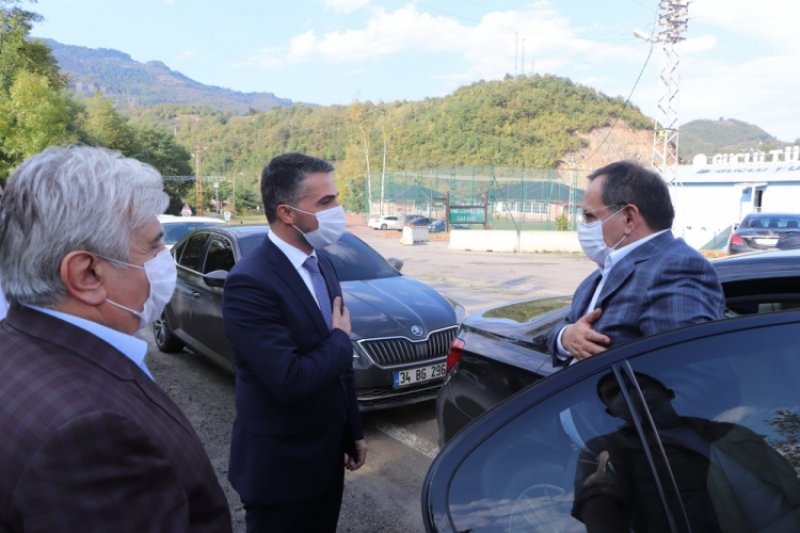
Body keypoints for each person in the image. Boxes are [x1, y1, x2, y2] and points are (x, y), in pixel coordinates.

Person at [0, 145, 232, 532]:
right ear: (87, 275)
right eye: (153, 245)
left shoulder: (18, 343)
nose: (164, 261)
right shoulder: (91, 433)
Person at [223, 152, 366, 532]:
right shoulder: (249, 282)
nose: (338, 210)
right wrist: (341, 340)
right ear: (287, 213)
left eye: (335, 198)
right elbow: (288, 379)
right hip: (280, 471)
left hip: (326, 459)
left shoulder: (321, 264)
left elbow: (339, 369)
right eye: (325, 202)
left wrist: (353, 431)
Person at [546, 160, 725, 364]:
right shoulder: (602, 273)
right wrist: (566, 337)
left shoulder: (677, 268)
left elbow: (684, 368)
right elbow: (564, 325)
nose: (583, 225)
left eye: (589, 216)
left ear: (629, 218)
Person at [572, 372, 800, 532]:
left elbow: (787, 479)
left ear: (668, 393)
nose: (630, 395)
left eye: (637, 385)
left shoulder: (730, 431)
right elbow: (599, 509)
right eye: (615, 393)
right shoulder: (607, 450)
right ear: (611, 412)